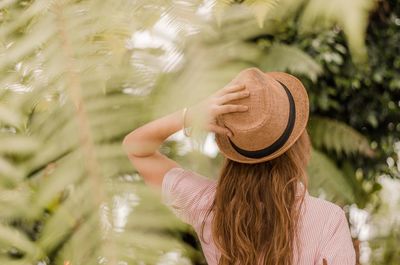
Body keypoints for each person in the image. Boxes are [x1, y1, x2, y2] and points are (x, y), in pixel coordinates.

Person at [122, 67, 356, 265]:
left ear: (233, 149)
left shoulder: (208, 206)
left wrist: (191, 115)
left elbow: (136, 149)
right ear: (298, 144)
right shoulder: (328, 220)